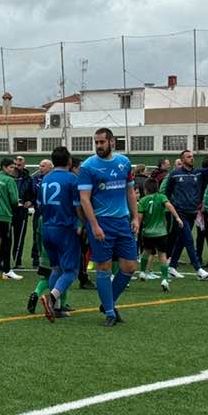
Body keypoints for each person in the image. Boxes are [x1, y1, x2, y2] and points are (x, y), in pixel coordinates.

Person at [78, 128, 140, 327]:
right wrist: (94, 225)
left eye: (102, 142)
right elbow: (84, 199)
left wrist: (135, 217)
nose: (98, 146)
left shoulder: (124, 162)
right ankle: (110, 312)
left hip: (122, 221)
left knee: (130, 266)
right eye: (96, 142)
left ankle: (107, 303)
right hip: (101, 222)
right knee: (103, 267)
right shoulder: (88, 166)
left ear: (112, 142)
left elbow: (130, 192)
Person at [35, 146, 82, 321]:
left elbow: (39, 204)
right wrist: (83, 224)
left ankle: (56, 309)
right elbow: (78, 206)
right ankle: (52, 298)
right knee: (71, 271)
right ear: (69, 161)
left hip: (47, 227)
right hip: (65, 229)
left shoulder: (45, 178)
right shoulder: (72, 179)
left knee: (56, 268)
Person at [164, 150, 208, 280]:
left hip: (192, 212)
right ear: (182, 160)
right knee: (189, 239)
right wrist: (172, 208)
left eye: (192, 156)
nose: (191, 158)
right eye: (188, 157)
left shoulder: (198, 173)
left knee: (181, 240)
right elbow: (167, 193)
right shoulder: (174, 174)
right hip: (180, 212)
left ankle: (172, 267)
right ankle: (198, 269)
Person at [138, 178, 185, 292]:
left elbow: (140, 217)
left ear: (145, 189)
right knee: (162, 255)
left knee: (146, 251)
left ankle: (142, 272)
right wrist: (177, 217)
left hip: (147, 232)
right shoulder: (161, 197)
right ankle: (164, 279)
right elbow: (169, 206)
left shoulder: (143, 200)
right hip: (161, 233)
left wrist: (137, 227)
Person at [0, 158, 22, 280]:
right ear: (4, 167)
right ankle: (7, 270)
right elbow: (14, 199)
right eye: (11, 167)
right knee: (7, 242)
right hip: (4, 215)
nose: (13, 170)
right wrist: (17, 203)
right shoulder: (9, 180)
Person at [10, 156, 35, 269]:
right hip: (8, 210)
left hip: (21, 212)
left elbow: (32, 194)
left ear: (24, 165)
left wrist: (30, 201)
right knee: (6, 237)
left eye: (20, 163)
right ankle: (3, 260)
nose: (17, 165)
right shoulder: (7, 177)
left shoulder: (28, 178)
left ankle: (17, 261)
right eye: (16, 163)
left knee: (19, 237)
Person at [30, 159, 52, 268]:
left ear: (50, 168)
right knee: (37, 235)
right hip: (39, 212)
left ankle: (51, 257)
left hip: (51, 213)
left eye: (43, 166)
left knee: (50, 235)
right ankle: (36, 258)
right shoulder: (36, 179)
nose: (40, 168)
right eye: (40, 166)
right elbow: (33, 191)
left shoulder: (53, 179)